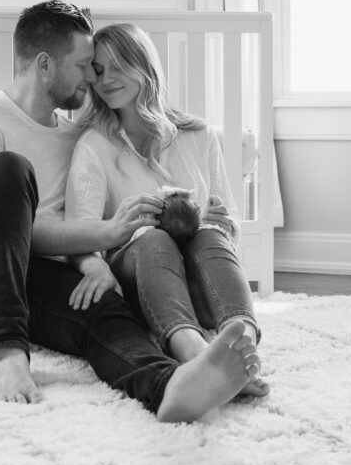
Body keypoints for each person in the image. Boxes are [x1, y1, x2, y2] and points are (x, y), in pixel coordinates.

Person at [0, 0, 261, 423]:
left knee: (106, 309)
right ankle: (6, 355)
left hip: (30, 278)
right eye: (84, 65)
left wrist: (101, 263)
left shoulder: (77, 135)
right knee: (10, 168)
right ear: (45, 64)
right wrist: (107, 234)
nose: (93, 77)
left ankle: (170, 385)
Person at [65, 22, 269, 398]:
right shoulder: (94, 145)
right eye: (99, 70)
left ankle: (241, 342)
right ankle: (193, 354)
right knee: (152, 236)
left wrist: (218, 222)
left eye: (118, 66)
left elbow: (230, 228)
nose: (106, 79)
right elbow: (81, 233)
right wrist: (124, 228)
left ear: (144, 65)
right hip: (145, 288)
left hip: (200, 287)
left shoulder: (199, 135)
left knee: (208, 232)